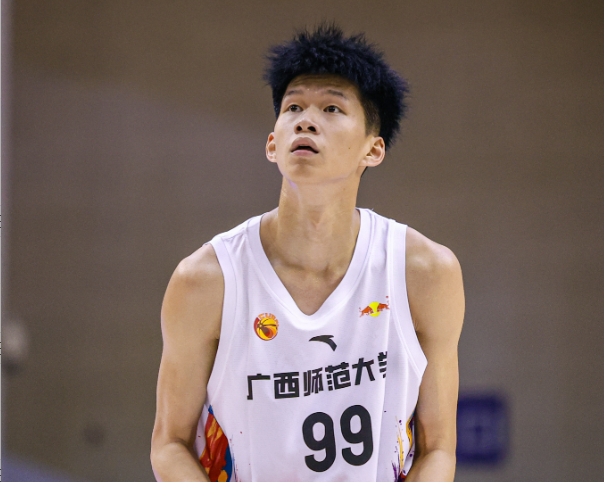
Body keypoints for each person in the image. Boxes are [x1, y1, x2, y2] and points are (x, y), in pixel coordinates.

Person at [151, 24, 464, 482]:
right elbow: (169, 444)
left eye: (332, 108)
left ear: (373, 149)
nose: (306, 120)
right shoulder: (205, 280)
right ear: (272, 144)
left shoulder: (425, 272)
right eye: (293, 107)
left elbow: (438, 450)